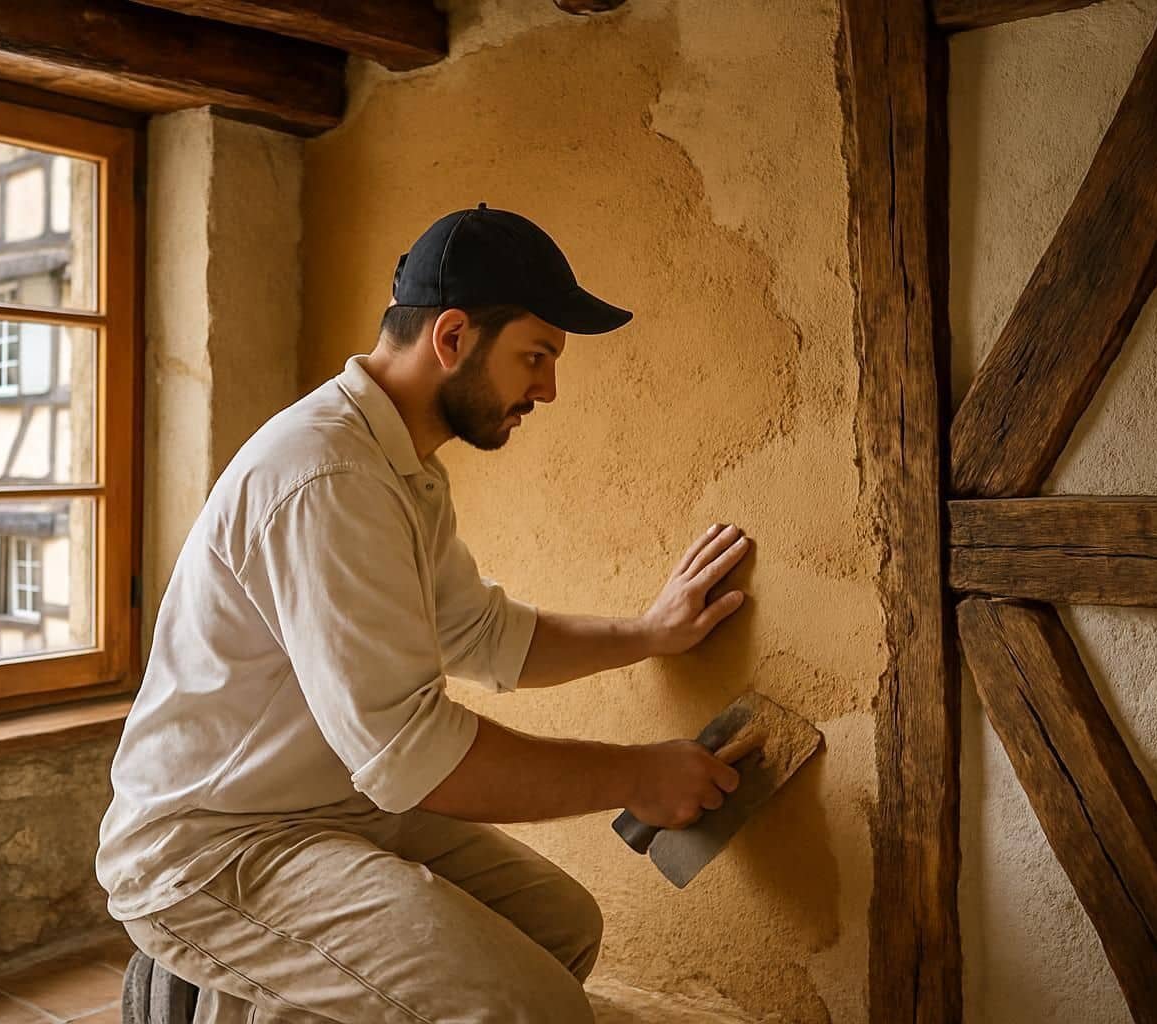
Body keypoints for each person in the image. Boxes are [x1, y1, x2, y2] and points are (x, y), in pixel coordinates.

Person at [97, 204, 753, 1023]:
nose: (548, 387)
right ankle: (206, 986)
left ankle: (241, 995)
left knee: (560, 927)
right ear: (451, 338)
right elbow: (414, 758)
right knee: (534, 1009)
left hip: (329, 811)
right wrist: (635, 774)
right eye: (536, 355)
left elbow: (481, 635)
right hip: (215, 845)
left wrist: (648, 634)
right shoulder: (327, 478)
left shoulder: (399, 467)